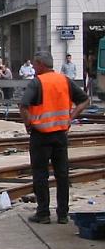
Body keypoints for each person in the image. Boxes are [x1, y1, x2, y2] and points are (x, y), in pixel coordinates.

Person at [19, 51, 89, 224]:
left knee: (40, 174)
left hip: (40, 135)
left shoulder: (37, 82)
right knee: (62, 174)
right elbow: (85, 100)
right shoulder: (64, 80)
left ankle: (43, 213)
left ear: (41, 64)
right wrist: (70, 117)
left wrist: (29, 124)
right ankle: (63, 214)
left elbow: (23, 105)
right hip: (60, 135)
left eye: (35, 65)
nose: (34, 68)